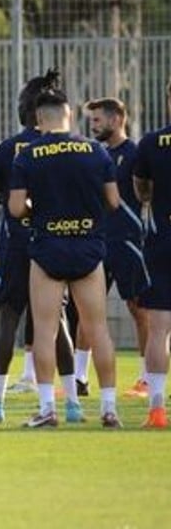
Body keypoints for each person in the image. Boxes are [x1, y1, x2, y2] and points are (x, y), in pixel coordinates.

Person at [9, 88, 121, 428]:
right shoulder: (96, 151)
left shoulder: (28, 155)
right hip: (88, 247)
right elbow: (113, 202)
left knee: (44, 332)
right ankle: (109, 409)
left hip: (48, 248)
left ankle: (47, 409)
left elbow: (16, 208)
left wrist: (36, 210)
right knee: (97, 330)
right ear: (69, 113)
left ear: (39, 118)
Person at [0, 70, 79, 423]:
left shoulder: (8, 149)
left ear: (24, 109)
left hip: (16, 242)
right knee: (57, 322)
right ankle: (71, 402)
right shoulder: (72, 147)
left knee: (8, 316)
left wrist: (17, 202)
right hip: (54, 238)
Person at [85, 97, 151, 398]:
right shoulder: (93, 153)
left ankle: (147, 377)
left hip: (127, 241)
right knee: (88, 309)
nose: (93, 125)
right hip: (97, 240)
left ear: (115, 119)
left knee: (139, 308)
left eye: (97, 120)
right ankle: (79, 378)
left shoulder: (135, 153)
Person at [133, 78, 171, 428]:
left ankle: (157, 408)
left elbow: (142, 189)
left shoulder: (151, 143)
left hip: (163, 239)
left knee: (159, 328)